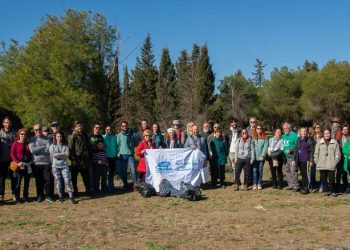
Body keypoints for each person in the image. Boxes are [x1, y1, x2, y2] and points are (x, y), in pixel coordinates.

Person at [49, 131, 77, 204]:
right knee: (59, 182)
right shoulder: (52, 146)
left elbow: (67, 154)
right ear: (55, 137)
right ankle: (60, 197)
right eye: (58, 136)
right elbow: (54, 155)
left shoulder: (65, 146)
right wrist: (63, 154)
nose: (59, 138)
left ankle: (71, 197)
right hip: (55, 166)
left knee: (67, 181)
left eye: (60, 136)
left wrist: (60, 154)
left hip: (64, 166)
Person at [29, 124, 53, 202]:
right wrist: (43, 147)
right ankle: (40, 195)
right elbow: (32, 150)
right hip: (36, 163)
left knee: (47, 180)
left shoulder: (47, 139)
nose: (38, 131)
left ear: (41, 129)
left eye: (39, 129)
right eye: (36, 130)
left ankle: (48, 196)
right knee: (39, 181)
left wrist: (38, 150)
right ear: (34, 131)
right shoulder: (32, 140)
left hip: (46, 163)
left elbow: (49, 150)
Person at [314, 128, 341, 197]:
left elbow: (338, 153)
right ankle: (326, 190)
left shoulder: (334, 142)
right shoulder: (320, 142)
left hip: (331, 164)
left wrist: (335, 161)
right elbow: (316, 153)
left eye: (328, 133)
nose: (327, 135)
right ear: (323, 134)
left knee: (331, 178)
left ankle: (332, 191)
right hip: (322, 163)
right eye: (325, 133)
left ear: (330, 134)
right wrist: (317, 161)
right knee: (323, 178)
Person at [68, 121, 90, 195]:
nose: (79, 127)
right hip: (76, 161)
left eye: (80, 126)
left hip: (84, 160)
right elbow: (70, 149)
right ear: (74, 127)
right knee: (74, 178)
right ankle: (75, 192)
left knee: (86, 177)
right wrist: (72, 159)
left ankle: (88, 191)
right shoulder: (73, 136)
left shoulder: (85, 135)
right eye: (77, 126)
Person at [10, 129, 32, 203]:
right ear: (18, 135)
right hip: (19, 166)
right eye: (22, 134)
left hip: (27, 165)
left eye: (25, 134)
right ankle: (17, 197)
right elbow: (12, 154)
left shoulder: (28, 144)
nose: (23, 135)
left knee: (27, 182)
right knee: (18, 182)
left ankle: (25, 197)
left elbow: (30, 154)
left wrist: (30, 161)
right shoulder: (15, 143)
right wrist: (17, 162)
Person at [292, 127, 315, 195]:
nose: (303, 133)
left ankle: (306, 188)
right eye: (302, 131)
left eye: (305, 131)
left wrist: (311, 160)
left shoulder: (309, 140)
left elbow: (312, 151)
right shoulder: (298, 139)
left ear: (306, 132)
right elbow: (296, 149)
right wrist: (294, 159)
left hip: (306, 160)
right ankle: (303, 186)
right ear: (300, 133)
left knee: (306, 175)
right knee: (302, 174)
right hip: (299, 160)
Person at [116, 121, 138, 190]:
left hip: (130, 155)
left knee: (133, 170)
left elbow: (136, 143)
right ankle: (125, 185)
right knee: (124, 171)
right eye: (123, 126)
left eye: (125, 126)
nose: (124, 127)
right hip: (123, 155)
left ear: (127, 126)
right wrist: (119, 152)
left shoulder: (132, 134)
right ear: (121, 127)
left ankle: (135, 185)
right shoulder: (119, 135)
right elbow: (118, 144)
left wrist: (132, 142)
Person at [0, 117, 16, 202]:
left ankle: (14, 194)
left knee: (13, 177)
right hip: (2, 160)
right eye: (6, 122)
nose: (8, 124)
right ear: (3, 123)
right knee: (2, 178)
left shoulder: (14, 133)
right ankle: (1, 194)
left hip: (12, 160)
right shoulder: (0, 133)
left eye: (9, 122)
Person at [282, 122, 298, 191]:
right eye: (284, 128)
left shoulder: (294, 135)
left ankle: (295, 186)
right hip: (285, 157)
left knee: (293, 171)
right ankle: (290, 185)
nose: (285, 130)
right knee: (287, 171)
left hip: (292, 156)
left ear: (290, 128)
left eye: (286, 128)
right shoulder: (283, 136)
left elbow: (297, 146)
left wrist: (291, 150)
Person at [252, 125, 268, 190]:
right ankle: (255, 184)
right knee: (255, 171)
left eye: (260, 128)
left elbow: (265, 147)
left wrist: (263, 155)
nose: (259, 129)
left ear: (262, 129)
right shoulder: (253, 137)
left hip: (261, 157)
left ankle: (259, 184)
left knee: (260, 171)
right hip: (254, 157)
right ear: (256, 129)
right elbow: (252, 147)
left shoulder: (265, 138)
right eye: (257, 128)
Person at [103, 125, 118, 192]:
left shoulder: (114, 137)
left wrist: (117, 153)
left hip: (113, 157)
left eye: (109, 129)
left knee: (111, 173)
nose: (108, 131)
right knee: (105, 173)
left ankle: (110, 188)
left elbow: (117, 146)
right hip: (106, 157)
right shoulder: (103, 137)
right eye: (107, 129)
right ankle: (104, 187)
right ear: (105, 130)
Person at [336, 124, 350, 193]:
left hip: (348, 159)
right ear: (341, 131)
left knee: (347, 173)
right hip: (341, 159)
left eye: (346, 129)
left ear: (348, 130)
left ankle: (347, 187)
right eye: (344, 129)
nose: (345, 131)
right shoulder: (338, 140)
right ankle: (339, 187)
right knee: (340, 173)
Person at [311, 122, 322, 192]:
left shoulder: (323, 136)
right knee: (312, 172)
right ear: (314, 129)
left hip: (321, 157)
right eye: (316, 128)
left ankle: (322, 186)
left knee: (322, 172)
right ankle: (313, 186)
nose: (317, 129)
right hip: (313, 156)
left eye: (318, 127)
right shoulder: (311, 137)